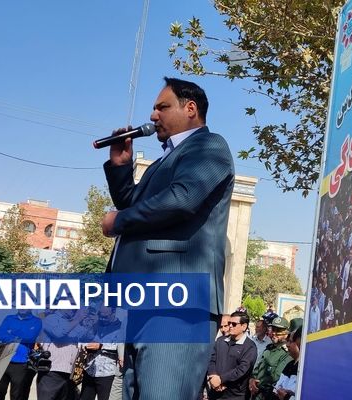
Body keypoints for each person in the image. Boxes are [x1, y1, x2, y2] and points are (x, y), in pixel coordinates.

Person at [101, 77, 235, 399]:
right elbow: (138, 206)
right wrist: (121, 166)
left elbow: (182, 199)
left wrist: (119, 221)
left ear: (191, 109)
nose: (153, 116)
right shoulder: (161, 163)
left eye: (162, 107)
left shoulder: (209, 145)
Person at [207, 311, 257, 400]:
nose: (230, 326)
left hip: (235, 395)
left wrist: (221, 379)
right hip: (215, 392)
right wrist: (213, 376)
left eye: (234, 324)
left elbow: (242, 369)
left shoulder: (250, 347)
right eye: (229, 323)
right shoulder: (220, 341)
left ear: (244, 326)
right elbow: (212, 359)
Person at [0, 309, 42, 400]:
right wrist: (18, 337)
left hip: (21, 363)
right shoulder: (9, 318)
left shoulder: (37, 321)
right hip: (3, 360)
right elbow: (0, 335)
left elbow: (30, 337)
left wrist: (11, 333)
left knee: (17, 395)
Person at [80, 306, 123, 400]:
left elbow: (121, 348)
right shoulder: (95, 325)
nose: (102, 319)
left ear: (114, 311)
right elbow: (82, 338)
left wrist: (101, 346)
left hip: (107, 374)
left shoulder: (121, 327)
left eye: (105, 316)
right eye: (100, 315)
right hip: (89, 370)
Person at [249, 317, 292, 400]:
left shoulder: (286, 352)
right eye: (273, 329)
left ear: (286, 333)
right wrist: (251, 380)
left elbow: (276, 377)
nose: (274, 333)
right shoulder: (269, 348)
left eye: (278, 330)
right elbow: (257, 368)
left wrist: (257, 384)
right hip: (256, 395)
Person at [272, 327, 302, 400]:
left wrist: (286, 397)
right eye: (287, 341)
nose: (287, 345)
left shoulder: (303, 368)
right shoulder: (290, 364)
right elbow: (277, 389)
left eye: (291, 341)